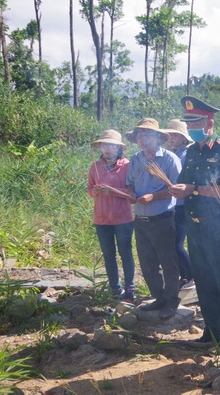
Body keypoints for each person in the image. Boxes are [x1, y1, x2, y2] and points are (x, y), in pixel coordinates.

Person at [168, 97, 220, 348]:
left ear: (209, 123)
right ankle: (211, 330)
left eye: (195, 122)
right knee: (204, 281)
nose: (190, 128)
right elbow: (184, 181)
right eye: (188, 123)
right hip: (195, 226)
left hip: (218, 228)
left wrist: (193, 189)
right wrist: (179, 189)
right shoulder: (192, 151)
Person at [125, 118, 182, 320]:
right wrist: (131, 194)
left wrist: (154, 197)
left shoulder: (169, 159)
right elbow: (129, 183)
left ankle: (172, 301)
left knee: (168, 262)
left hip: (162, 218)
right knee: (147, 263)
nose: (142, 139)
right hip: (140, 219)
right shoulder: (135, 159)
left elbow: (177, 189)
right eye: (139, 135)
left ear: (158, 138)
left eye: (147, 134)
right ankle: (158, 298)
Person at [87, 130, 136, 302]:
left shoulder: (127, 166)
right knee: (108, 254)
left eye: (111, 145)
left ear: (119, 148)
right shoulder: (95, 166)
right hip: (101, 219)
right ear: (100, 147)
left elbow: (132, 193)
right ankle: (115, 288)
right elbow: (89, 190)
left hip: (123, 218)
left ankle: (130, 288)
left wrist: (112, 192)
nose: (107, 149)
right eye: (104, 145)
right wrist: (94, 191)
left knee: (125, 253)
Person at [165, 119, 194, 290]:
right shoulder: (172, 152)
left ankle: (190, 275)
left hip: (183, 205)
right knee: (172, 243)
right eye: (169, 135)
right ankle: (183, 274)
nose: (172, 138)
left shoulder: (187, 154)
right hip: (171, 204)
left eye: (175, 134)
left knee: (177, 243)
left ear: (183, 138)